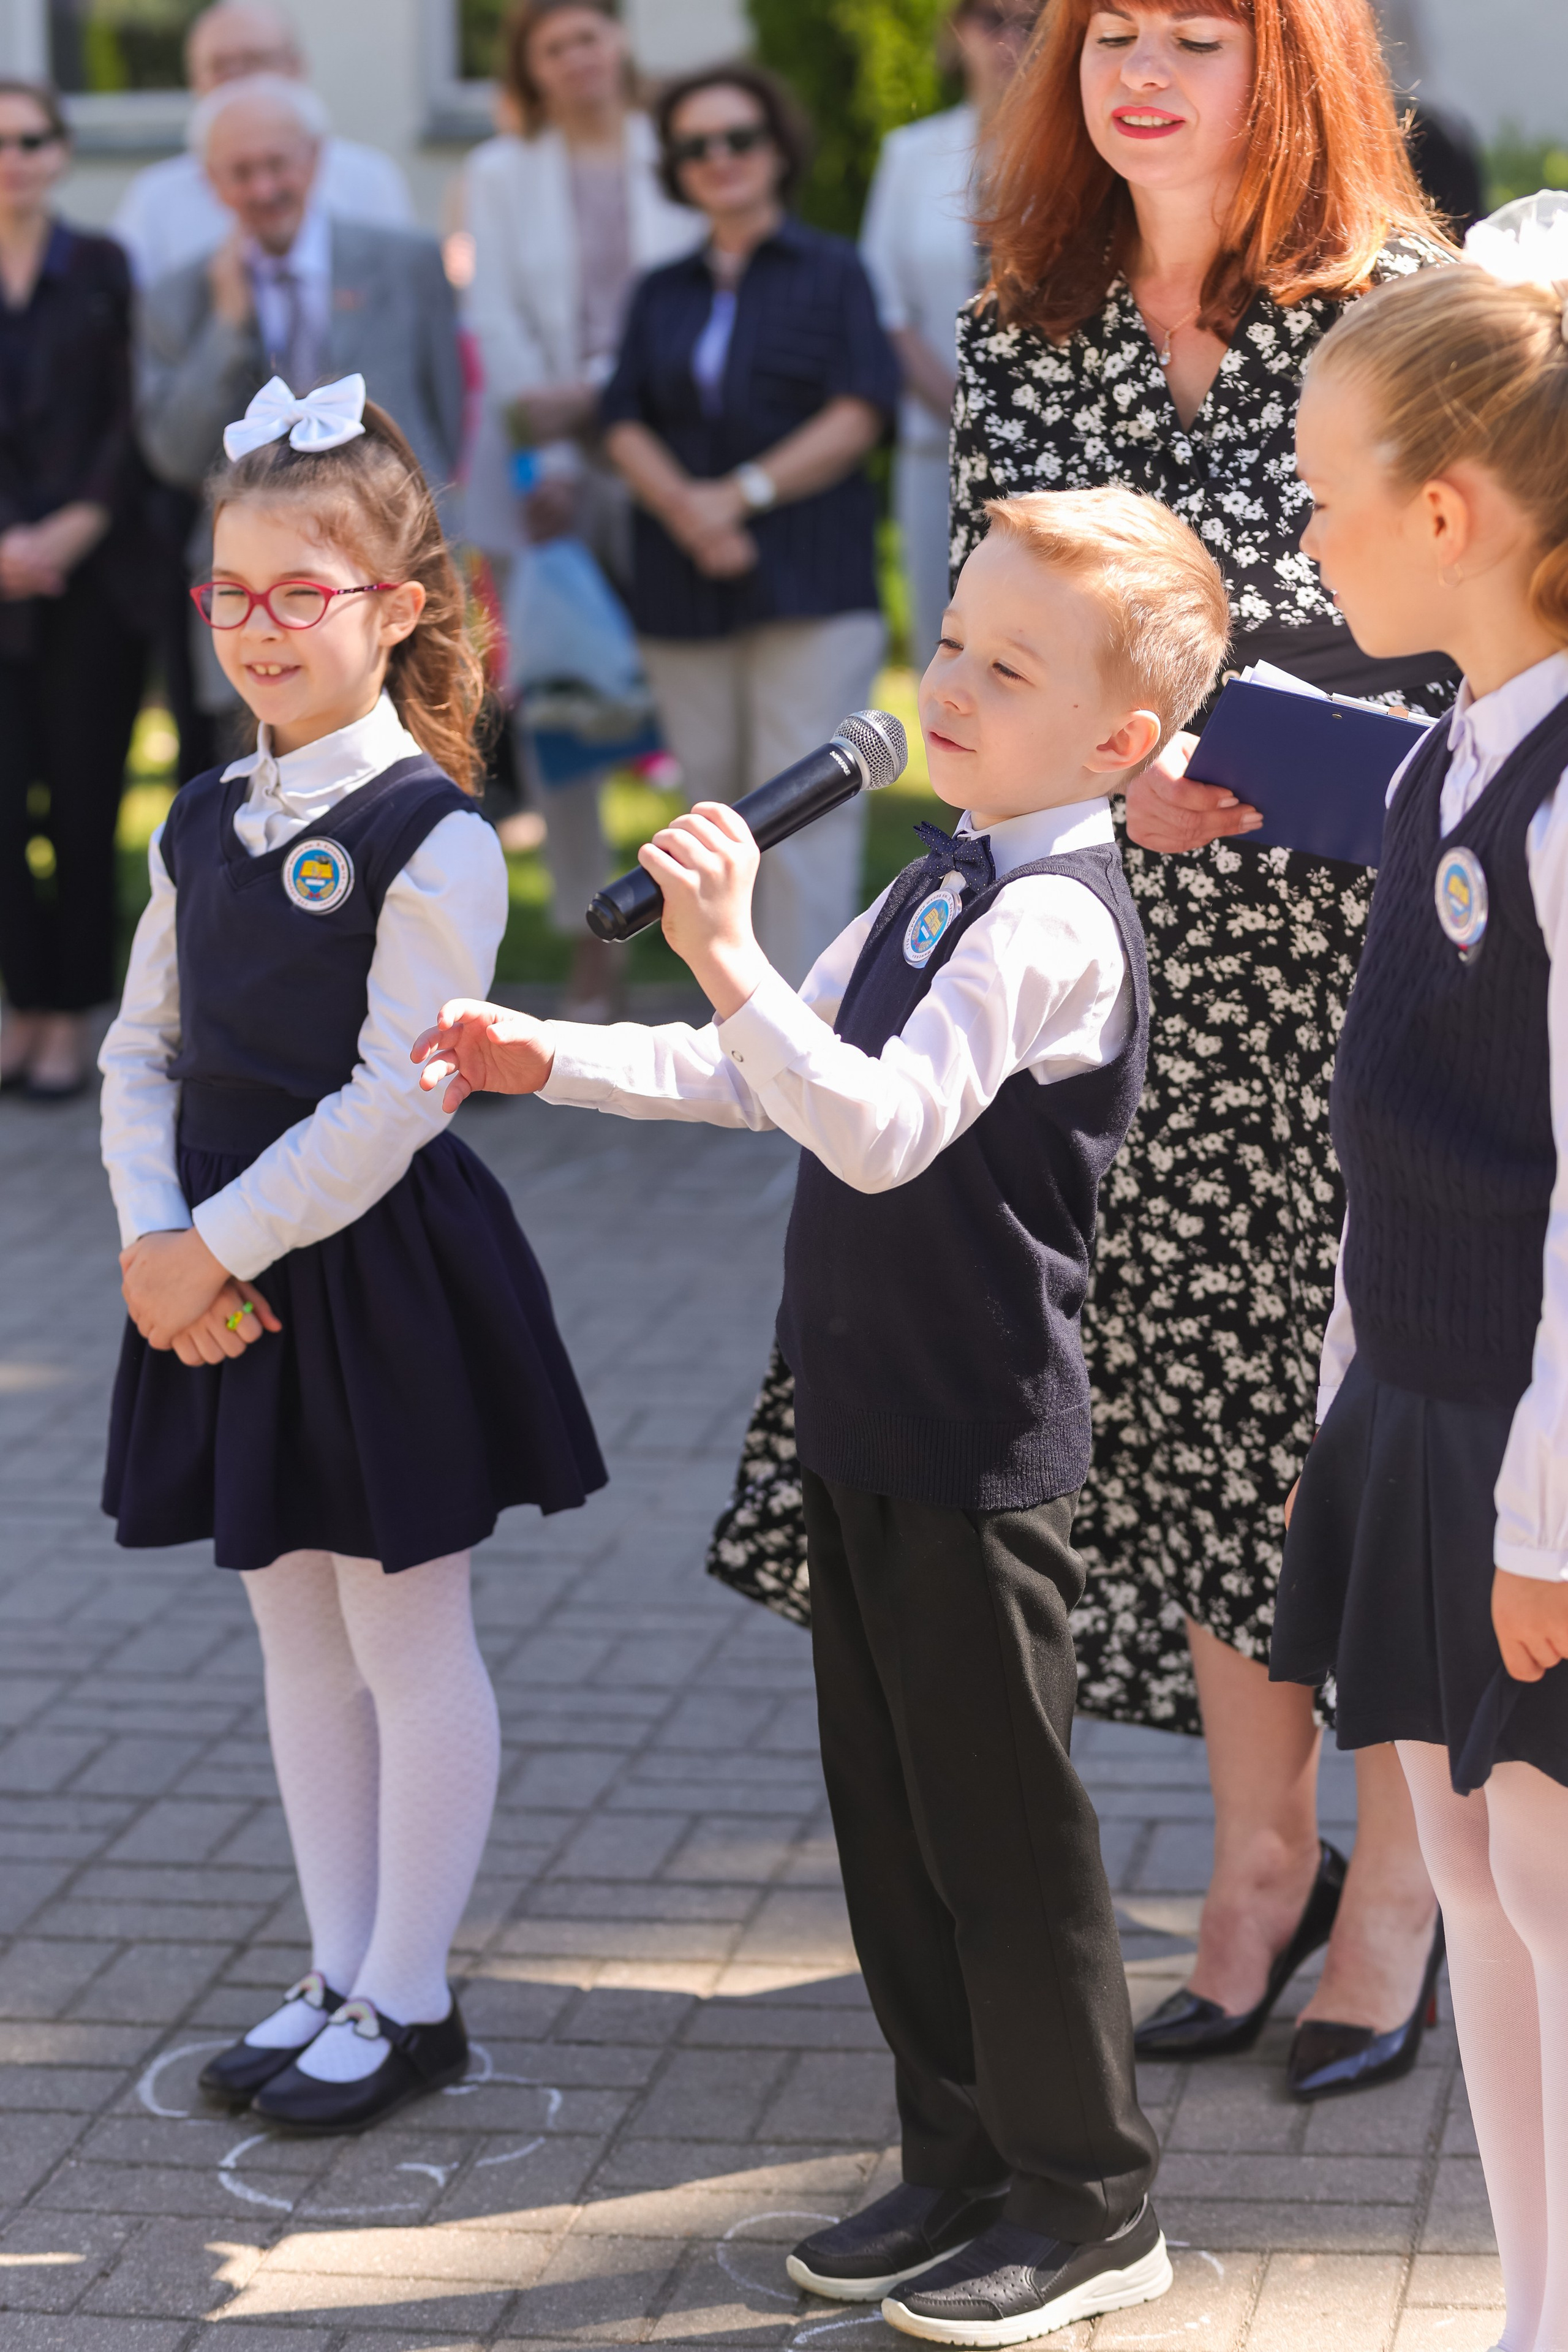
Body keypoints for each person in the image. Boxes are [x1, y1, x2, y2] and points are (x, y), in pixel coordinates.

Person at [416, 484, 1235, 2343]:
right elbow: (758, 1070)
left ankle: (1088, 2195)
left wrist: (727, 947)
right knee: (889, 1818)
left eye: (1005, 666)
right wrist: (555, 1053)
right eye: (948, 637)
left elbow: (874, 1125)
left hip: (973, 1438)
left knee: (1002, 1834)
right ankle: (952, 2156)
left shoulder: (1051, 917)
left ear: (1117, 739)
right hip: (862, 1415)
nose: (948, 679)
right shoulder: (944, 869)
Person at [938, 0, 1464, 2096]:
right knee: (1202, 1423)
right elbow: (993, 630)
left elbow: (1498, 638)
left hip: (1377, 960)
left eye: (1198, 35)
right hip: (1130, 965)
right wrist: (1088, 770)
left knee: (1378, 1441)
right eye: (1109, 34)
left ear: (1296, 66)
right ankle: (1259, 1871)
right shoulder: (1020, 329)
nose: (1139, 74)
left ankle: (1404, 1898)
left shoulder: (1408, 317)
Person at [98, 379, 606, 2134]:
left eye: (296, 595)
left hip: (369, 1268)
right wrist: (151, 1237)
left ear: (393, 610)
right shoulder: (198, 816)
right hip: (216, 1265)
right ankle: (334, 1966)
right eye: (229, 594)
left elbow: (404, 1098)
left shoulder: (436, 835)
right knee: (292, 1633)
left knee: (405, 1631)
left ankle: (413, 1993)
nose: (258, 630)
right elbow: (134, 1051)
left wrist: (207, 1244)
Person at [1272, 207, 1568, 2349]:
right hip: (1428, 1418)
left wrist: (1546, 1513)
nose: (1305, 546)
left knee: (1549, 1896)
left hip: (1535, 1465)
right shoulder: (1452, 744)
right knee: (1480, 1892)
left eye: (1320, 501)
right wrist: (1349, 1395)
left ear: (1450, 512)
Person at [601, 64, 900, 987]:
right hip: (682, 586)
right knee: (712, 824)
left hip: (812, 579)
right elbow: (622, 419)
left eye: (739, 138)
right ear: (675, 169)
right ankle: (736, 1032)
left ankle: (809, 1043)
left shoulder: (834, 271)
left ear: (777, 150)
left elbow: (863, 409)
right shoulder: (661, 288)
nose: (719, 159)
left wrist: (739, 496)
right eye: (696, 147)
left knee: (802, 814)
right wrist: (693, 517)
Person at [463, 0, 702, 1017]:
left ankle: (712, 928)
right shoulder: (500, 176)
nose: (578, 58)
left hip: (669, 458)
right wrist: (554, 446)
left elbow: (695, 294)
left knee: (691, 689)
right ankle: (590, 943)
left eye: (590, 36)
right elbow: (499, 322)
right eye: (554, 46)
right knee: (562, 714)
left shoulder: (680, 148)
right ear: (534, 69)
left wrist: (608, 395)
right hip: (540, 476)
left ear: (619, 43)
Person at [136, 74, 463, 747]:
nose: (263, 189)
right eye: (241, 172)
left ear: (315, 160)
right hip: (256, 601)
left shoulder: (407, 266)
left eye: (277, 165)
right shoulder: (177, 298)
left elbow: (448, 416)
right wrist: (226, 325)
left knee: (420, 793)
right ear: (212, 183)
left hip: (389, 583)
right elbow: (171, 454)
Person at [0, 80, 148, 1101]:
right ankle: (20, 1005)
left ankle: (72, 1014)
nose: (13, 156)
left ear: (62, 152)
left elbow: (129, 413)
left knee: (87, 806)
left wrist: (74, 526)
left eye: (32, 138)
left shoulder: (103, 268)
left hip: (94, 581)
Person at [860, 0, 1038, 671]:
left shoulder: (1077, 148)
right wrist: (959, 402)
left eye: (1031, 20)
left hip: (1048, 440)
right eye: (990, 17)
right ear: (956, 28)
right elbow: (882, 301)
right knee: (948, 634)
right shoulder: (910, 152)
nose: (1009, 39)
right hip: (933, 443)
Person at [111, 3, 412, 291]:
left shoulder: (368, 179)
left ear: (297, 67)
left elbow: (398, 298)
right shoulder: (155, 197)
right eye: (220, 66)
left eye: (256, 60)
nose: (239, 79)